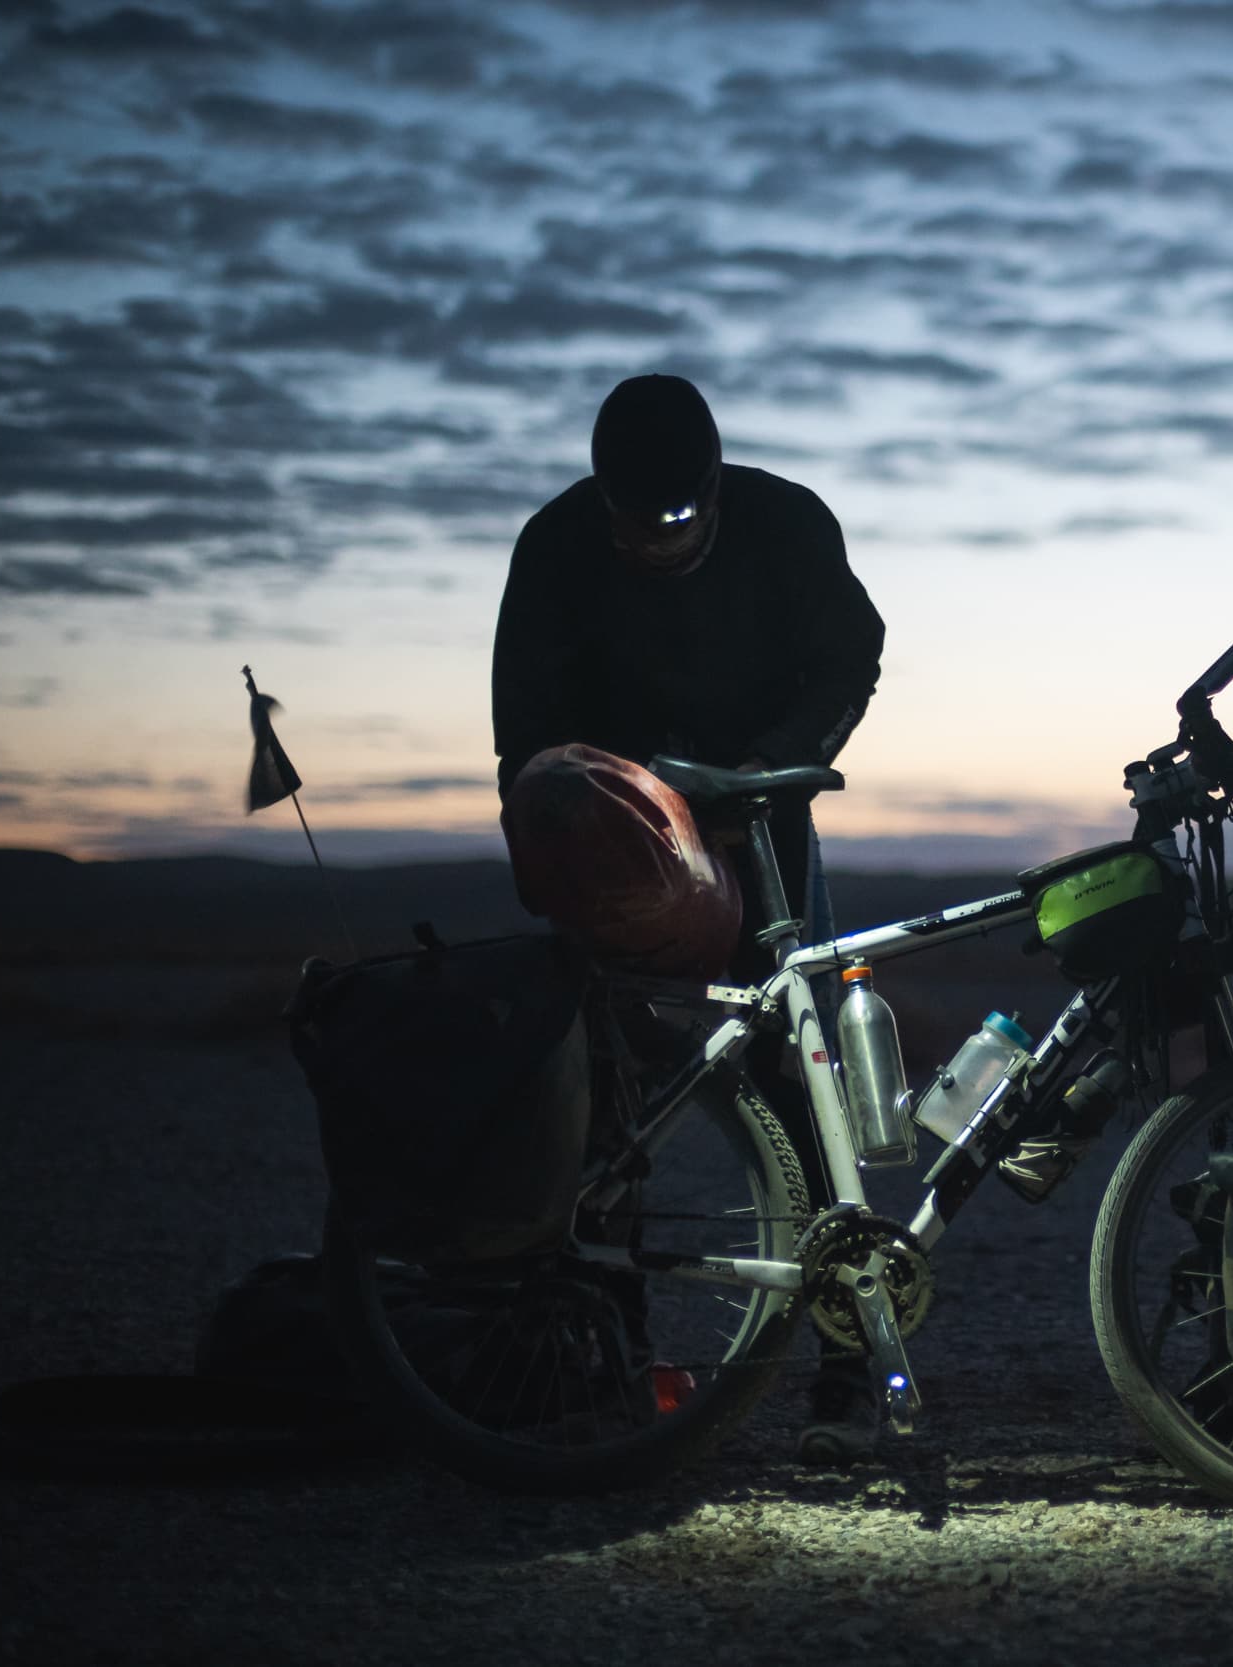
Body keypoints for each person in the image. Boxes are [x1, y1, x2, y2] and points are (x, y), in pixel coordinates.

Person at [490, 372, 886, 1463]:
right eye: (633, 523)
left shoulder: (787, 524)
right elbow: (524, 731)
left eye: (676, 520)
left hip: (761, 823)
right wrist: (573, 844)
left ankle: (847, 1366)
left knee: (799, 1083)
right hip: (616, 843)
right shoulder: (557, 546)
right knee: (598, 1099)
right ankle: (601, 1356)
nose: (655, 541)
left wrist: (778, 762)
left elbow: (851, 654)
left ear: (713, 490)